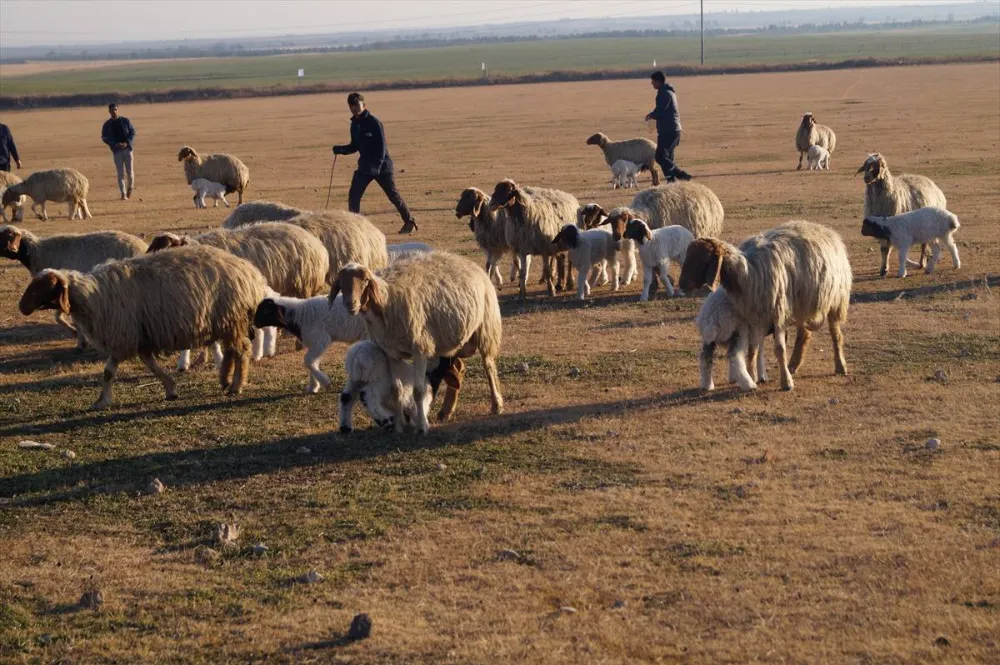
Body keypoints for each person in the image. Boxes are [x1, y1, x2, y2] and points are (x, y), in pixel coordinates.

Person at [333, 92, 418, 235]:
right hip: (365, 167)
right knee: (354, 195)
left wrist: (377, 167)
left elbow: (382, 147)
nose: (355, 109)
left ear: (364, 105)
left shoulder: (374, 122)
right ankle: (355, 227)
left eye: (357, 105)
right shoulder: (354, 125)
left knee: (393, 196)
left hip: (382, 167)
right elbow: (355, 146)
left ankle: (409, 222)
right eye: (352, 106)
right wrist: (341, 150)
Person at [645, 71, 692, 183]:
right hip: (673, 129)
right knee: (667, 158)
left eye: (653, 81)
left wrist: (651, 115)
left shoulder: (664, 93)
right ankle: (671, 182)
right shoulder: (669, 92)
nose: (652, 84)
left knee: (660, 157)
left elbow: (661, 111)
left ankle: (680, 174)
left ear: (658, 81)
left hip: (668, 130)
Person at [101, 103, 136, 200]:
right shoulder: (107, 125)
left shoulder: (125, 121)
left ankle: (130, 188)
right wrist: (114, 144)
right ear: (109, 111)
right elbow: (104, 137)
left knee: (130, 172)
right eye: (112, 110)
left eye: (115, 109)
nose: (114, 112)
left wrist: (127, 143)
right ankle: (123, 194)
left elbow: (132, 132)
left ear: (118, 110)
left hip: (127, 150)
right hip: (117, 151)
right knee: (120, 174)